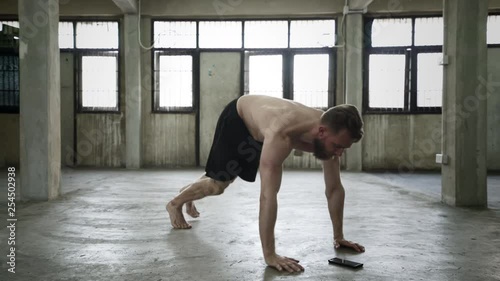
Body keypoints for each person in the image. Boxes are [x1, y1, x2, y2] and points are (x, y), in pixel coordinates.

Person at [166, 95, 365, 272]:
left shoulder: (330, 129)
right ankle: (175, 203)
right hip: (239, 118)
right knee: (217, 186)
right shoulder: (282, 133)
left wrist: (338, 237)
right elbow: (268, 195)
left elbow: (334, 189)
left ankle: (188, 194)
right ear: (321, 132)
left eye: (343, 148)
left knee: (219, 180)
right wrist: (270, 255)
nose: (339, 153)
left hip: (262, 127)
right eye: (338, 147)